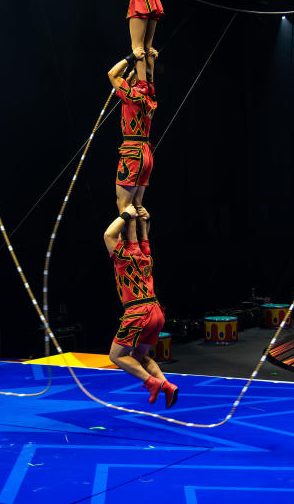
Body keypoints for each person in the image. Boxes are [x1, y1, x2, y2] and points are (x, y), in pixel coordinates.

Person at [103, 204, 178, 408]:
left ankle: (151, 382)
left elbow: (108, 235)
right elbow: (143, 238)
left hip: (139, 312)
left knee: (116, 356)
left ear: (122, 242)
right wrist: (145, 221)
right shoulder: (145, 255)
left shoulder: (123, 258)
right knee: (139, 356)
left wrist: (127, 214)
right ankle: (166, 385)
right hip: (156, 311)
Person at [107, 54, 156, 239]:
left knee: (125, 207)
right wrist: (148, 57)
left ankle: (132, 247)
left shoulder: (133, 94)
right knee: (137, 207)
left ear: (135, 80)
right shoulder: (150, 98)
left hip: (133, 152)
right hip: (146, 153)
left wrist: (131, 57)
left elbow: (112, 74)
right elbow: (149, 77)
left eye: (130, 76)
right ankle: (142, 242)